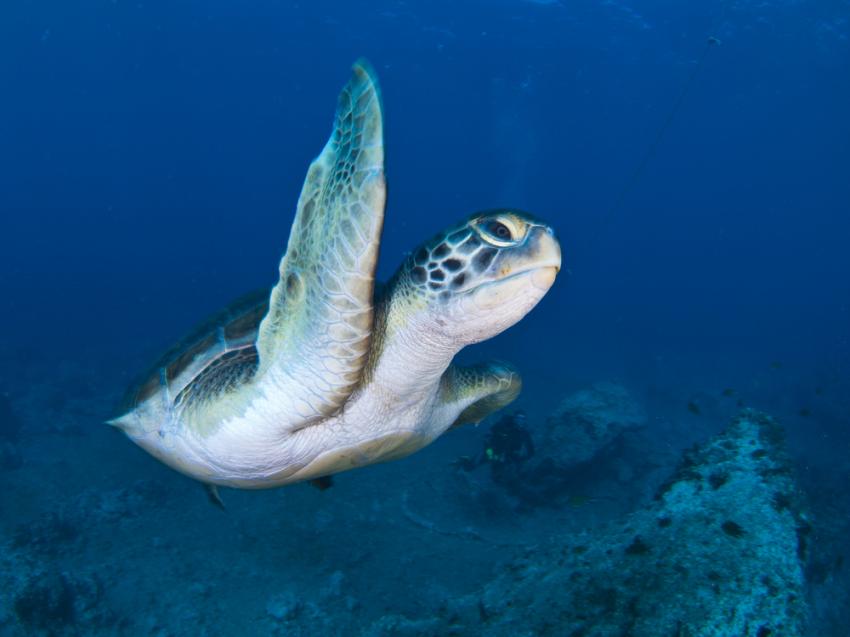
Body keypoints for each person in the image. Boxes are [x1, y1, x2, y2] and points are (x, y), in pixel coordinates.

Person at [457, 410, 535, 487]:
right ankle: (463, 461)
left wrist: (520, 459)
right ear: (514, 419)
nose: (519, 421)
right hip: (492, 451)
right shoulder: (502, 426)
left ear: (525, 421)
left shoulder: (524, 433)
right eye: (518, 418)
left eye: (522, 419)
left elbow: (531, 451)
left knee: (497, 479)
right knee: (470, 466)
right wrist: (490, 453)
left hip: (507, 457)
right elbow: (487, 438)